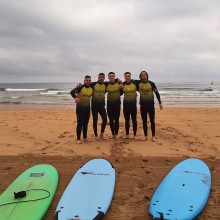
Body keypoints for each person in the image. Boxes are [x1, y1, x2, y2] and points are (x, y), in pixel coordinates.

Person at [136, 71, 163, 142]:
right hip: (143, 105)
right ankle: (145, 136)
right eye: (142, 75)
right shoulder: (138, 83)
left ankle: (153, 136)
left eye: (145, 74)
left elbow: (156, 93)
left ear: (147, 75)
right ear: (140, 76)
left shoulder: (151, 83)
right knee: (144, 121)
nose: (143, 76)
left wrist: (160, 103)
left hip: (150, 105)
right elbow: (129, 82)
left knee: (152, 121)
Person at [70, 75, 93, 144]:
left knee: (85, 124)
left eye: (89, 80)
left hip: (87, 109)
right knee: (80, 124)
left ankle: (85, 138)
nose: (88, 81)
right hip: (80, 109)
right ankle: (78, 139)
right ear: (84, 81)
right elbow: (72, 92)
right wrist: (75, 97)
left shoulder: (91, 89)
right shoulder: (80, 87)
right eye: (87, 80)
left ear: (90, 81)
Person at [90, 73, 108, 140]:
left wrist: (117, 79)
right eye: (100, 77)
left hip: (101, 106)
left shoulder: (105, 84)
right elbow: (85, 86)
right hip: (94, 106)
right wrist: (78, 85)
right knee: (95, 121)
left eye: (102, 77)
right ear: (98, 77)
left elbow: (113, 81)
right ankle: (96, 135)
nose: (101, 78)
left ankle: (101, 134)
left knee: (105, 119)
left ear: (104, 78)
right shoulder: (93, 84)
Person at [122, 72, 138, 140]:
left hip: (133, 106)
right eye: (126, 76)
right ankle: (127, 134)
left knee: (134, 120)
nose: (127, 77)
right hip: (126, 106)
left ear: (130, 77)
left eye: (128, 76)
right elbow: (119, 93)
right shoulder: (122, 84)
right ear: (124, 77)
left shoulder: (135, 84)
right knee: (127, 120)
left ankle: (134, 135)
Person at [106, 72, 122, 139]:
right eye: (110, 76)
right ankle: (113, 134)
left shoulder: (118, 83)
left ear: (114, 77)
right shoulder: (106, 84)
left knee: (117, 120)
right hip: (109, 105)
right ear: (108, 77)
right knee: (111, 120)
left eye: (112, 76)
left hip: (117, 105)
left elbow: (122, 91)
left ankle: (117, 134)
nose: (111, 77)